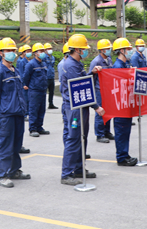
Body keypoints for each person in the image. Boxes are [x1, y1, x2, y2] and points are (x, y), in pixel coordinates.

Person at [60, 34, 105, 185]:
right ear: (77, 49)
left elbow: (83, 81)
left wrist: (91, 74)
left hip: (80, 107)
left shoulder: (76, 63)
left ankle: (79, 168)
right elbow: (81, 89)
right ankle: (66, 174)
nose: (85, 52)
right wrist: (96, 107)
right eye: (84, 49)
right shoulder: (71, 65)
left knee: (82, 138)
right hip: (75, 108)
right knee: (73, 139)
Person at [0, 38, 31, 188]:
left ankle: (14, 170)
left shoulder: (16, 70)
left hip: (18, 113)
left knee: (16, 144)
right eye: (8, 51)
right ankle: (2, 175)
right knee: (5, 145)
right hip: (7, 114)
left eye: (13, 51)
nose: (12, 53)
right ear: (1, 53)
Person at [111, 38, 138, 166]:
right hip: (120, 105)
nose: (129, 51)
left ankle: (125, 154)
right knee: (121, 131)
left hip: (126, 103)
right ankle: (121, 157)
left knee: (125, 131)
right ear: (121, 51)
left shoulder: (125, 65)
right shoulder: (117, 66)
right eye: (128, 49)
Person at [88, 39, 114, 144]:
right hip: (99, 90)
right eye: (107, 48)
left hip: (108, 89)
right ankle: (100, 134)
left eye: (109, 48)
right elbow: (91, 77)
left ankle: (107, 131)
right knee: (100, 111)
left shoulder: (109, 59)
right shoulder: (96, 61)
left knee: (109, 111)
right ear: (101, 50)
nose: (109, 50)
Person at [22, 42, 49, 137]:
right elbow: (26, 77)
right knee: (33, 109)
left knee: (42, 109)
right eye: (40, 51)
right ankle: (32, 128)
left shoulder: (44, 63)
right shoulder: (31, 64)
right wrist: (27, 85)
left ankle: (39, 127)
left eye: (43, 51)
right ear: (35, 53)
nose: (42, 53)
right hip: (34, 91)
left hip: (42, 90)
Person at [16, 45, 31, 121]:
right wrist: (24, 84)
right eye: (27, 51)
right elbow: (21, 74)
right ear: (24, 52)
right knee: (25, 99)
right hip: (25, 84)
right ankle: (24, 114)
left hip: (30, 83)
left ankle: (28, 113)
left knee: (29, 99)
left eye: (30, 51)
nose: (29, 53)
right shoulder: (21, 62)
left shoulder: (30, 61)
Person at [43, 42, 57, 109]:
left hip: (51, 76)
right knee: (44, 92)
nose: (50, 50)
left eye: (50, 48)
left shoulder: (52, 57)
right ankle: (43, 104)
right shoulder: (44, 57)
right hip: (46, 77)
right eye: (48, 49)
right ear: (45, 50)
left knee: (51, 91)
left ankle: (51, 104)